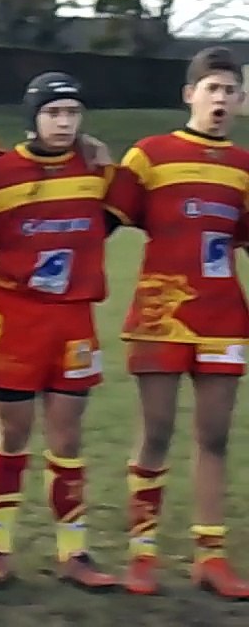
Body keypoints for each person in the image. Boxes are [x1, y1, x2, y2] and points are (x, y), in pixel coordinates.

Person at [104, 46, 249, 599]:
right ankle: (142, 556)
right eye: (212, 88)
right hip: (160, 317)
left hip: (222, 318)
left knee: (213, 437)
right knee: (157, 433)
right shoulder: (149, 155)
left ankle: (210, 556)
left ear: (239, 101)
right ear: (189, 94)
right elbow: (99, 223)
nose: (221, 99)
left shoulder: (242, 166)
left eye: (230, 91)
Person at [0, 72, 116, 589]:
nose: (64, 123)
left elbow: (121, 215)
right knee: (11, 434)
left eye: (73, 113)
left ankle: (74, 553)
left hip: (74, 321)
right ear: (33, 117)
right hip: (15, 319)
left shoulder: (98, 171)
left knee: (68, 438)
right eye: (54, 113)